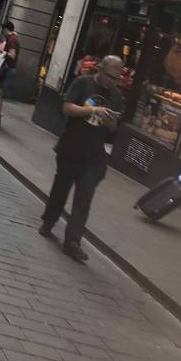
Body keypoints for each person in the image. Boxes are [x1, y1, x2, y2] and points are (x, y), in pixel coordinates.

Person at [38, 54, 123, 262]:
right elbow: (67, 108)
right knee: (60, 190)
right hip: (71, 148)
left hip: (94, 156)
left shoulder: (115, 95)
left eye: (116, 78)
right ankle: (49, 220)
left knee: (84, 199)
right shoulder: (82, 83)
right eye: (110, 75)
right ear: (100, 69)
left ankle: (73, 242)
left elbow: (113, 128)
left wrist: (110, 120)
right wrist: (93, 109)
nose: (112, 81)